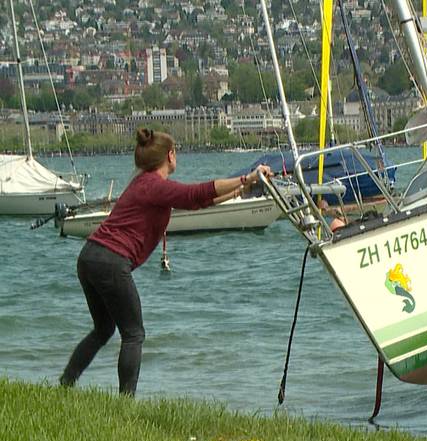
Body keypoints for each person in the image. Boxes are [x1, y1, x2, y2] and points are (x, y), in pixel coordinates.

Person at [59, 127, 274, 396]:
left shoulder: (144, 184)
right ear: (170, 155)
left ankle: (65, 385)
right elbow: (196, 194)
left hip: (90, 257)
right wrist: (247, 176)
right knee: (134, 334)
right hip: (111, 262)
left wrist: (244, 187)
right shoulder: (154, 185)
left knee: (104, 329)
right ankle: (125, 404)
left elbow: (198, 203)